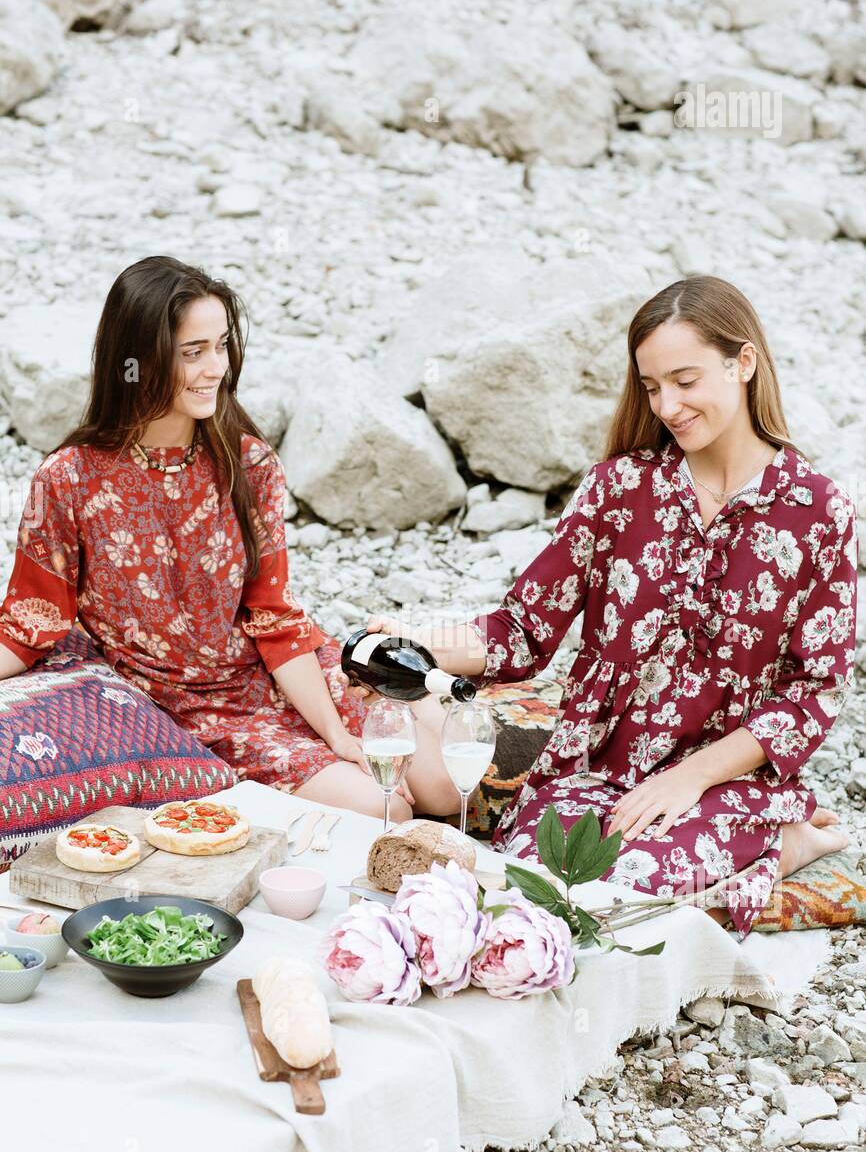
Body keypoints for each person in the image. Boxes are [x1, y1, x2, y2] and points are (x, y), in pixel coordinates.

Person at [351, 276, 856, 937]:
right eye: (652, 387)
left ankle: (787, 840)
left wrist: (691, 779)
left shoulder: (819, 513)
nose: (668, 405)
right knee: (540, 880)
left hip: (724, 771)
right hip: (601, 762)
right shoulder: (620, 487)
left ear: (744, 363)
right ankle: (772, 850)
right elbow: (525, 627)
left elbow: (814, 692)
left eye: (686, 380)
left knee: (633, 890)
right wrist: (419, 641)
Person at [0, 255, 458, 821]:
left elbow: (273, 615)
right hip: (194, 708)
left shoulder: (248, 462)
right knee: (388, 810)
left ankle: (419, 705)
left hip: (287, 670)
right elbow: (30, 624)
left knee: (445, 789)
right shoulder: (69, 479)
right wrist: (341, 749)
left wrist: (338, 733)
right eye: (193, 352)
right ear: (136, 362)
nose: (215, 366)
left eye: (221, 345)